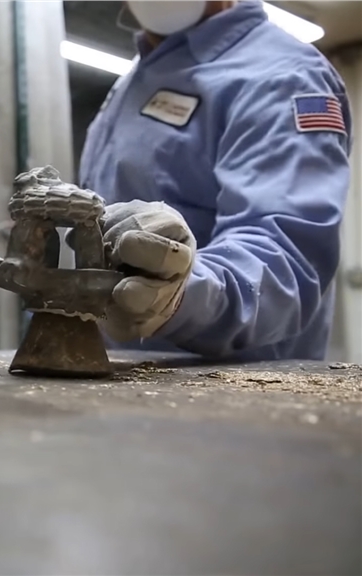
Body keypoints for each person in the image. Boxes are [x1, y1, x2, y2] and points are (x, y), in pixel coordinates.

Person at [79, 0, 353, 360]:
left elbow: (286, 260)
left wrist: (175, 293)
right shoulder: (137, 75)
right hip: (121, 372)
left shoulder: (284, 76)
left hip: (241, 385)